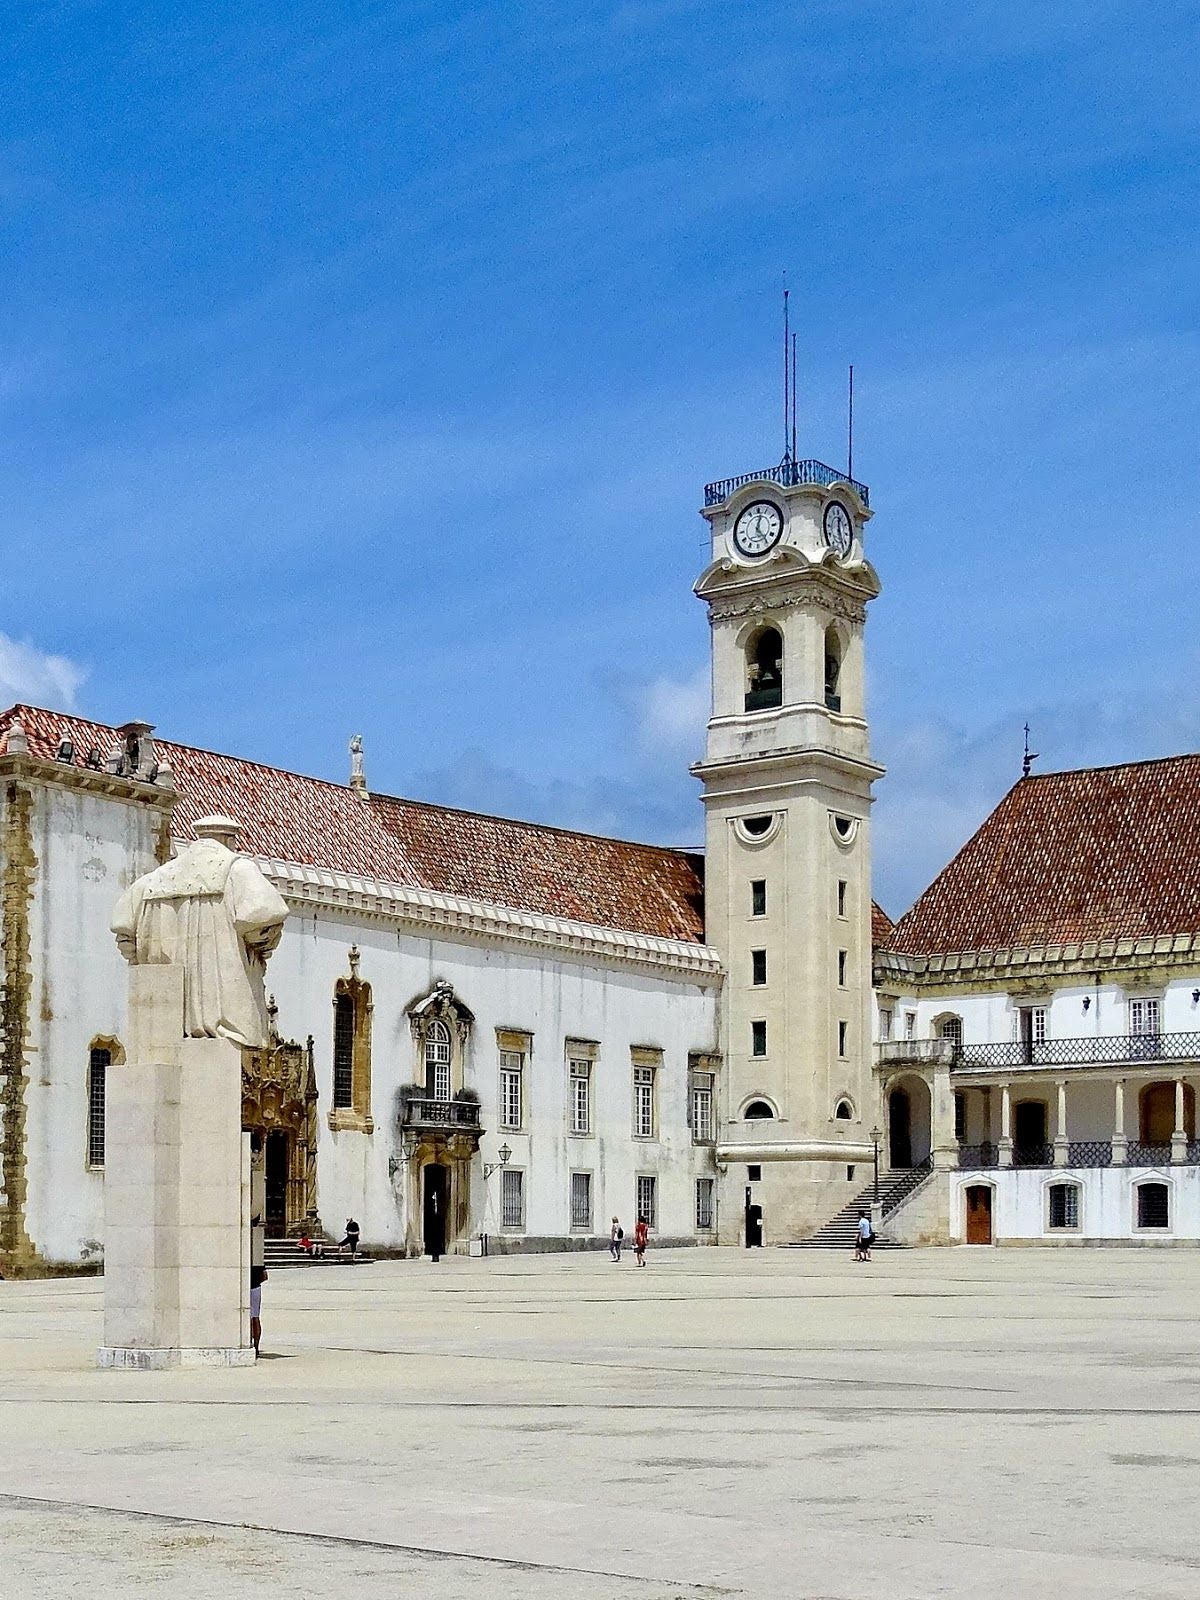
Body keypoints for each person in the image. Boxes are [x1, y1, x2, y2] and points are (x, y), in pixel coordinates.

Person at [250, 1265, 267, 1356]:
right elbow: (264, 1276)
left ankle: (253, 1344)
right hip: (256, 1287)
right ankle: (256, 1346)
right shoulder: (257, 1261)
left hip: (250, 1287)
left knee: (252, 1318)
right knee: (255, 1317)